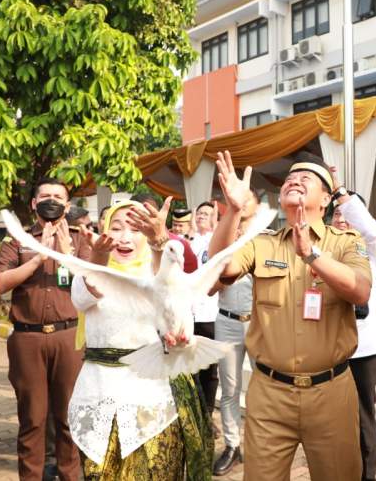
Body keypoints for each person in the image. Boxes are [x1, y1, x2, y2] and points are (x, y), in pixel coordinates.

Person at [209, 152, 372, 481]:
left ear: (326, 199)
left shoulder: (346, 242)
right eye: (289, 179)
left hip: (331, 391)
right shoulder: (261, 243)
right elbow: (219, 267)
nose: (294, 181)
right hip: (269, 393)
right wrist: (235, 212)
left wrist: (311, 255)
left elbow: (360, 290)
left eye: (305, 179)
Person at [68, 200, 212, 480]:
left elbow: (182, 328)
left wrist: (180, 340)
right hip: (98, 395)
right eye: (116, 227)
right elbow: (86, 295)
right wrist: (98, 257)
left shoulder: (163, 277)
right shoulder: (87, 273)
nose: (124, 237)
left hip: (152, 401)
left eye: (135, 229)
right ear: (103, 231)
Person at [0, 178, 91, 481]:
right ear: (34, 204)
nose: (52, 201)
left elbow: (94, 283)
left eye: (58, 196)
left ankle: (70, 476)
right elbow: (1, 284)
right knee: (33, 419)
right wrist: (39, 256)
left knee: (68, 419)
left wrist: (65, 252)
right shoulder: (16, 241)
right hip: (28, 338)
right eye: (45, 196)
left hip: (69, 337)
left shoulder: (82, 239)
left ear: (67, 204)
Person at [328, 168, 376, 481]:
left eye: (347, 212)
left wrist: (340, 192)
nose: (341, 218)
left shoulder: (370, 253)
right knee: (333, 421)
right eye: (336, 213)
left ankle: (368, 476)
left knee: (363, 417)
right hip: (328, 350)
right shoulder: (322, 252)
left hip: (362, 352)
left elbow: (372, 232)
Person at [212, 192, 258, 476]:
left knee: (264, 386)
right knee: (229, 388)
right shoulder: (221, 241)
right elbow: (208, 287)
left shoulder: (267, 240)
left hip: (258, 324)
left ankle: (261, 442)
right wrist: (225, 269)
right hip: (226, 322)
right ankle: (232, 445)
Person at [189, 200, 220, 426]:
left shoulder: (215, 241)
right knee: (191, 367)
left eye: (207, 213)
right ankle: (194, 413)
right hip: (189, 314)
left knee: (209, 369)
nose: (201, 216)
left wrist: (218, 227)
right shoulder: (189, 243)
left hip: (210, 313)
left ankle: (207, 414)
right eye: (199, 213)